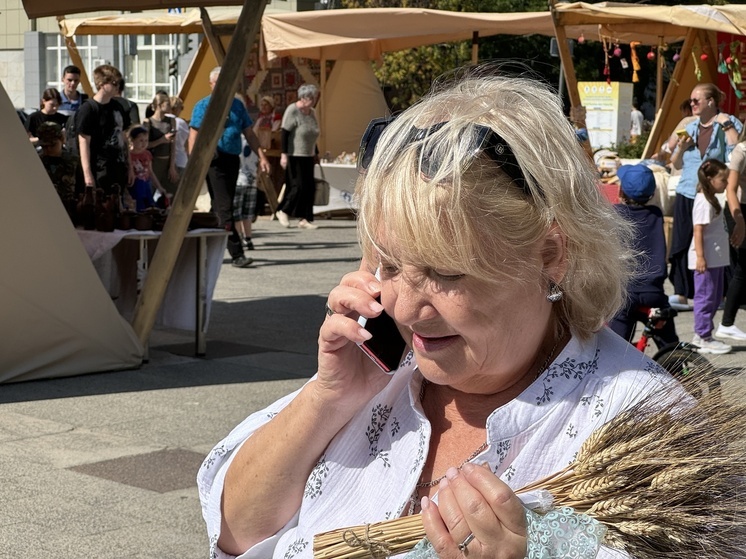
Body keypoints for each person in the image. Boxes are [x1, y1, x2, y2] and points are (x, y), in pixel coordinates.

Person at [197, 70, 676, 559]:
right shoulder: (381, 373)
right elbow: (235, 533)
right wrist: (326, 399)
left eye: (446, 272)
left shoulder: (644, 426)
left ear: (549, 255)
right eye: (388, 264)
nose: (404, 308)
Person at [667, 83, 741, 311]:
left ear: (710, 102)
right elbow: (675, 162)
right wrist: (681, 147)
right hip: (688, 189)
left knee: (716, 241)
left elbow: (737, 152)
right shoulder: (689, 127)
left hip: (714, 194)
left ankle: (721, 292)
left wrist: (726, 124)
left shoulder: (727, 122)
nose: (692, 104)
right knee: (682, 241)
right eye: (691, 100)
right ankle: (681, 292)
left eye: (696, 100)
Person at [188, 66, 270, 268]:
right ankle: (237, 253)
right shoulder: (203, 106)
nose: (222, 86)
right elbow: (194, 135)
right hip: (213, 159)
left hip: (232, 159)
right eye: (218, 82)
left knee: (218, 206)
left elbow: (249, 133)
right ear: (211, 84)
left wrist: (262, 156)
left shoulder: (237, 106)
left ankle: (205, 250)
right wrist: (193, 162)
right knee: (225, 208)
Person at [609, 164, 678, 347]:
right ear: (652, 193)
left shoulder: (615, 213)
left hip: (626, 292)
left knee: (615, 348)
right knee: (670, 347)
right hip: (653, 291)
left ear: (621, 191)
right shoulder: (656, 214)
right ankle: (675, 360)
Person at [688, 159, 732, 354]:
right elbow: (698, 230)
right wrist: (700, 257)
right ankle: (702, 336)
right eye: (723, 180)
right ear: (709, 179)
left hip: (716, 259)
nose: (726, 184)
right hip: (706, 261)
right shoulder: (704, 202)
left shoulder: (711, 200)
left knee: (714, 298)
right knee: (705, 298)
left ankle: (704, 334)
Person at [76, 64, 133, 197]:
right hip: (100, 170)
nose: (117, 87)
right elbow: (84, 143)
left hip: (119, 167)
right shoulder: (88, 109)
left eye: (119, 83)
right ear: (102, 84)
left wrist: (130, 167)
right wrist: (87, 175)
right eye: (114, 83)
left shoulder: (118, 106)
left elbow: (124, 138)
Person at [276, 83, 320, 230]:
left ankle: (305, 218)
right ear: (303, 98)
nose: (313, 101)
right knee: (297, 186)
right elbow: (284, 133)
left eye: (314, 98)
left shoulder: (312, 112)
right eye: (311, 98)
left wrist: (316, 153)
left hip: (308, 154)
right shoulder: (293, 110)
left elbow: (312, 135)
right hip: (294, 154)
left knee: (309, 187)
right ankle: (283, 210)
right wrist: (283, 155)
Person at [719, 125, 746, 342]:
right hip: (739, 210)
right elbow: (730, 189)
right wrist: (740, 221)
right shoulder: (741, 151)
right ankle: (726, 323)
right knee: (743, 266)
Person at [36, 121, 83, 212]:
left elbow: (80, 188)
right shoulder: (37, 162)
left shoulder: (73, 161)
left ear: (61, 140)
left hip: (68, 210)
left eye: (52, 145)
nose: (48, 149)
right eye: (44, 146)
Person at [128, 125, 170, 212]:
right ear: (132, 140)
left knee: (150, 205)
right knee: (139, 207)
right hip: (135, 185)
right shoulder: (129, 155)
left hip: (147, 183)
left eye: (146, 140)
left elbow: (151, 172)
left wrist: (159, 187)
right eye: (141, 140)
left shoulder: (147, 154)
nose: (144, 143)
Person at [144, 92, 179, 195]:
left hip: (167, 161)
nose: (170, 106)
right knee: (149, 193)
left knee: (172, 193)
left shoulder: (171, 120)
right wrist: (161, 140)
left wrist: (172, 166)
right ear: (159, 105)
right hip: (154, 162)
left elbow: (173, 145)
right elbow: (145, 145)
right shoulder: (148, 122)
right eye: (167, 103)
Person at [168, 95, 189, 180]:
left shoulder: (161, 121)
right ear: (176, 108)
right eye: (181, 108)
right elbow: (186, 144)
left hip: (163, 160)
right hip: (180, 159)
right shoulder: (181, 123)